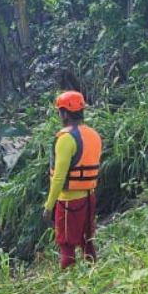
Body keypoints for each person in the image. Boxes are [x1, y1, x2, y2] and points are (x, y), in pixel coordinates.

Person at [41, 91, 102, 268]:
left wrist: (49, 205)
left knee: (66, 244)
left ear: (64, 113)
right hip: (89, 197)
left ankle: (67, 284)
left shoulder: (66, 139)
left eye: (60, 111)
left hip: (69, 201)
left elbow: (59, 177)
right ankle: (93, 275)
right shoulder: (93, 134)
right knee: (87, 241)